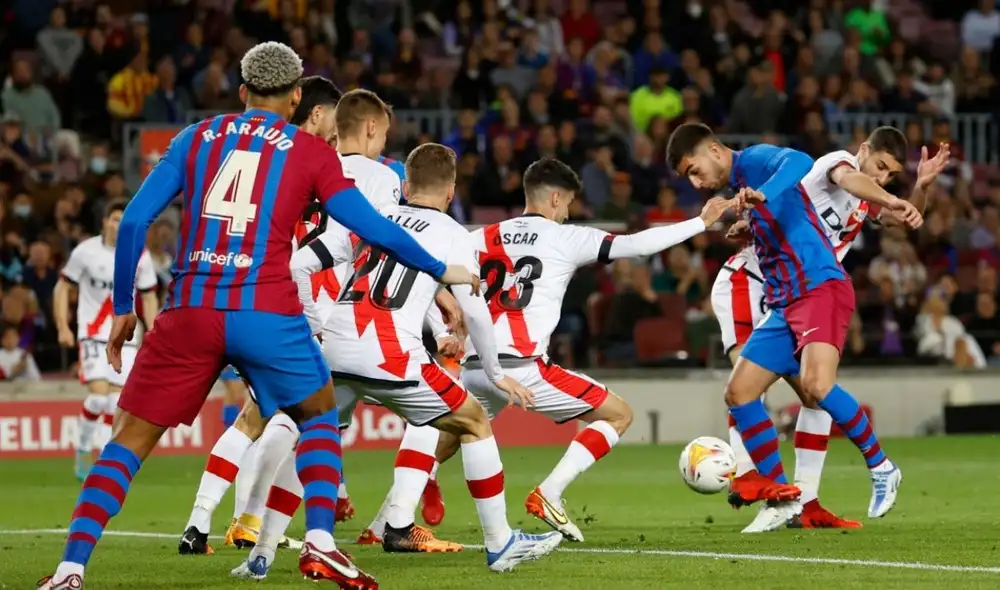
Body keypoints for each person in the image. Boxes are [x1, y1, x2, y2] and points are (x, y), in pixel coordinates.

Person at [38, 42, 478, 590]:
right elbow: (376, 229)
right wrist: (440, 270)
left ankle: (70, 569)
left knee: (126, 442)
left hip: (191, 307)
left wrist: (125, 308)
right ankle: (320, 543)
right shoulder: (309, 149)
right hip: (265, 307)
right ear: (297, 97)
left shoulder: (195, 138)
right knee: (319, 413)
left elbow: (132, 223)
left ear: (242, 91)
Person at [347, 158, 733, 547]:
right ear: (554, 198)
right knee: (619, 415)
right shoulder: (565, 238)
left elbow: (430, 276)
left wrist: (447, 325)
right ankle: (548, 493)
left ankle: (383, 525)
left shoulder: (482, 236)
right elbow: (635, 245)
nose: (566, 213)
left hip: (475, 364)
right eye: (566, 205)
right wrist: (700, 222)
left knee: (449, 434)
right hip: (525, 368)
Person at [234, 144, 563, 580]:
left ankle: (261, 555)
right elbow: (477, 310)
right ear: (451, 190)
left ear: (406, 185)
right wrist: (496, 373)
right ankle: (500, 543)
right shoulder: (451, 233)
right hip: (391, 356)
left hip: (334, 347)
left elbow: (298, 265)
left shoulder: (371, 214)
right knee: (473, 423)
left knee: (314, 438)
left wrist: (313, 326)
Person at [667, 123, 919, 534]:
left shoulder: (754, 161)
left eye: (695, 170)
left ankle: (882, 466)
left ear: (715, 149)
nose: (696, 182)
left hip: (820, 287)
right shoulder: (741, 189)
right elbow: (788, 215)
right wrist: (751, 220)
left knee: (816, 388)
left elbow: (799, 162)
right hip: (785, 302)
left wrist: (763, 195)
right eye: (689, 177)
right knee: (739, 392)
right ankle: (782, 494)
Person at [53, 200, 159, 481]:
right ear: (104, 222)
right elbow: (63, 286)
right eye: (114, 219)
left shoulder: (140, 254)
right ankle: (84, 449)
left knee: (115, 404)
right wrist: (63, 326)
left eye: (123, 219)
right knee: (98, 399)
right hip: (92, 333)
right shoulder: (85, 252)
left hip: (126, 337)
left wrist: (152, 329)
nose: (118, 224)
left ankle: (102, 458)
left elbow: (148, 295)